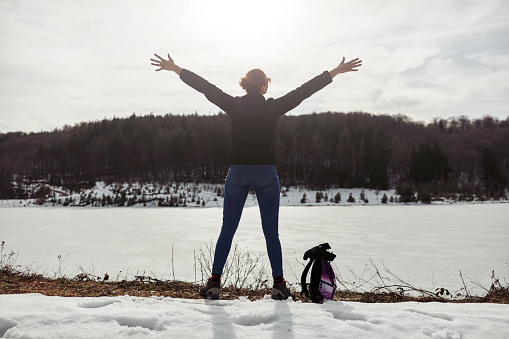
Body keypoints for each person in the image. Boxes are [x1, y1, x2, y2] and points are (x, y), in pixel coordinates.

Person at [150, 53, 362, 300]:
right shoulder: (273, 107)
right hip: (265, 174)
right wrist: (334, 72)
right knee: (271, 232)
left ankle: (214, 284)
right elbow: (304, 91)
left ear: (245, 86)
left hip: (238, 172)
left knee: (227, 229)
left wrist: (176, 68)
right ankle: (279, 285)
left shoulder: (233, 104)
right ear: (263, 87)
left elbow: (205, 87)